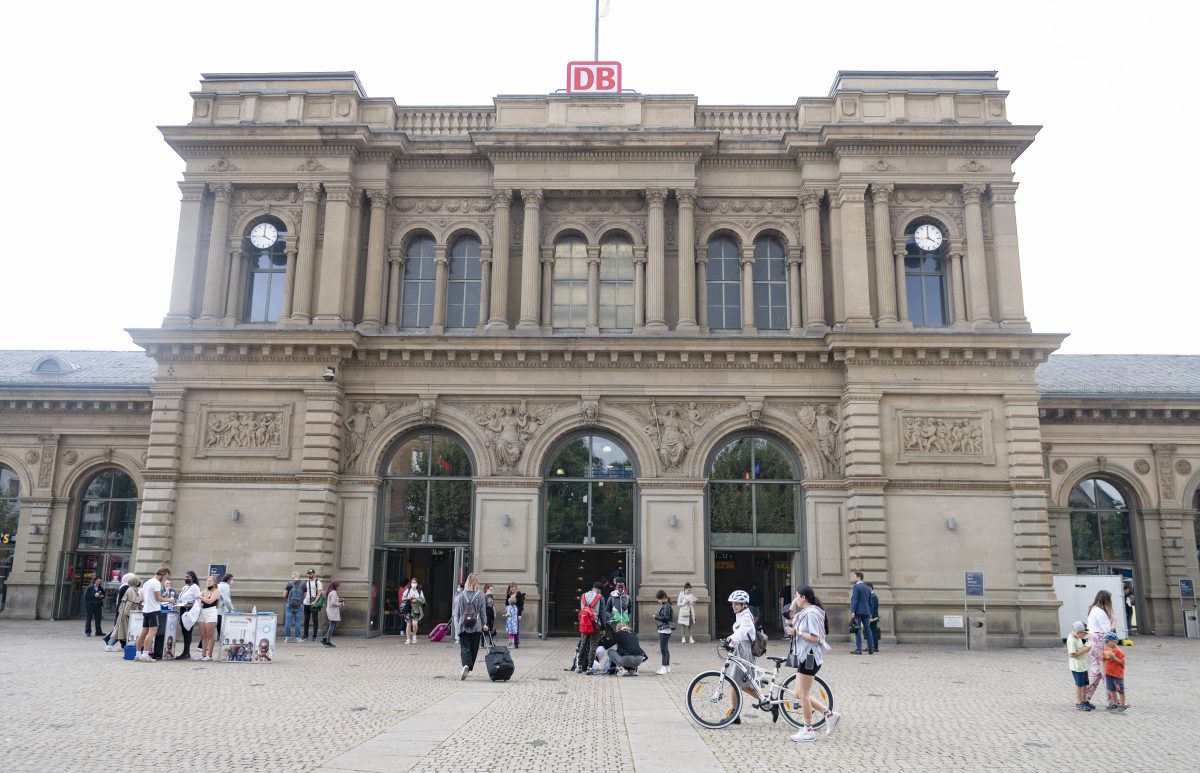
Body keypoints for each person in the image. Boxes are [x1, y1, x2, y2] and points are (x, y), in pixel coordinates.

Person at [785, 587, 841, 743]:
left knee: (803, 694)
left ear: (803, 597)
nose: (795, 599)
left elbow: (816, 638)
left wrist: (798, 633)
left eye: (797, 596)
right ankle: (830, 715)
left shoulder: (811, 614)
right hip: (804, 656)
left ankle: (808, 730)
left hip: (810, 657)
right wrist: (792, 606)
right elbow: (789, 619)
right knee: (799, 694)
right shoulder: (805, 613)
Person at [724, 589, 757, 722]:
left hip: (744, 652)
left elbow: (743, 631)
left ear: (744, 604)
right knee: (740, 684)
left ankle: (735, 715)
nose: (734, 606)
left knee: (740, 684)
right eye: (732, 604)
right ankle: (735, 714)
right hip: (740, 650)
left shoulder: (746, 616)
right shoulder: (740, 614)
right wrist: (731, 643)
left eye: (737, 604)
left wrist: (732, 638)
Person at [452, 573, 488, 679]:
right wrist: (484, 623)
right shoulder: (480, 595)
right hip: (476, 626)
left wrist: (458, 624)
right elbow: (482, 611)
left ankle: (466, 665)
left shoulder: (461, 595)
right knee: (474, 648)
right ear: (476, 582)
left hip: (464, 625)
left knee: (465, 647)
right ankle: (469, 667)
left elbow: (457, 612)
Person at [1084, 590, 1115, 704]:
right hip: (1100, 641)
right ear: (1106, 600)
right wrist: (1113, 623)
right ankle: (1113, 700)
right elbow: (1108, 631)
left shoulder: (1092, 609)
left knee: (1096, 671)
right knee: (1105, 670)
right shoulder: (1100, 612)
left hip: (1092, 641)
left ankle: (1084, 695)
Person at [135, 567, 170, 662]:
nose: (165, 579)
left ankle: (138, 654)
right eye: (166, 576)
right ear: (163, 574)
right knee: (152, 633)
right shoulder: (157, 583)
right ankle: (145, 654)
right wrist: (169, 600)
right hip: (154, 610)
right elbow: (158, 598)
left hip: (146, 610)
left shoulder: (147, 582)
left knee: (143, 633)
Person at [576, 581, 607, 673]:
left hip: (584, 624)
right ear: (600, 591)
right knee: (593, 646)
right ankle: (590, 667)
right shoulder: (600, 598)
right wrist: (603, 628)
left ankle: (579, 666)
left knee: (583, 645)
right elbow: (602, 614)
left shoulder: (583, 596)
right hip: (595, 625)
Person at [108, 575, 141, 653]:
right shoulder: (131, 590)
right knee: (120, 629)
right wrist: (141, 598)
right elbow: (134, 600)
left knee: (120, 629)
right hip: (126, 613)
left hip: (126, 612)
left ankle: (112, 645)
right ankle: (110, 645)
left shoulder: (132, 589)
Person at [848, 571, 875, 655]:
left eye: (854, 577)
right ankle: (871, 648)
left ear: (858, 577)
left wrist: (853, 611)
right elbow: (870, 602)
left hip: (858, 611)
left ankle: (858, 649)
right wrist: (870, 612)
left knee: (857, 630)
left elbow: (855, 599)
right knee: (868, 630)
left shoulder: (856, 587)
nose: (853, 578)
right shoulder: (867, 588)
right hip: (867, 611)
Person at [1067, 621, 1092, 711]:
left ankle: (1084, 700)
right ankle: (1079, 702)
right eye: (1083, 634)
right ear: (1078, 632)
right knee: (1079, 685)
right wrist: (1086, 649)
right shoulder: (1072, 640)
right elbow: (1072, 654)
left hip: (1082, 665)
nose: (1084, 635)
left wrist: (1085, 645)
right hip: (1077, 667)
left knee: (1085, 683)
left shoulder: (1077, 638)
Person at [175, 571, 201, 660]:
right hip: (182, 609)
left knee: (187, 631)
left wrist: (189, 606)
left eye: (188, 577)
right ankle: (186, 652)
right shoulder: (185, 587)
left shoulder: (195, 587)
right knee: (184, 631)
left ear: (192, 578)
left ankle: (186, 652)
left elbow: (197, 601)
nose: (186, 578)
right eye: (185, 576)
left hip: (189, 611)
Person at [105, 573, 134, 649]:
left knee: (121, 629)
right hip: (123, 611)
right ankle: (109, 643)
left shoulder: (124, 586)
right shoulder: (125, 587)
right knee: (119, 629)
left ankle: (122, 645)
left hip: (122, 610)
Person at [198, 575, 221, 661]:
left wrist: (201, 597)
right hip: (203, 611)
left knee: (209, 635)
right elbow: (197, 596)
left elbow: (210, 601)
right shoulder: (204, 591)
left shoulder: (216, 591)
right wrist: (201, 596)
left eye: (210, 581)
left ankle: (209, 655)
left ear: (214, 583)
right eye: (207, 581)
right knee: (203, 635)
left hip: (211, 611)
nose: (208, 582)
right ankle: (203, 654)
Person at [1102, 631, 1127, 711]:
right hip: (1108, 673)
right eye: (1105, 641)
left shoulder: (1119, 651)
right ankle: (1114, 703)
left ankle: (1122, 705)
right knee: (1111, 689)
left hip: (1117, 675)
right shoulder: (1107, 649)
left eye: (1107, 641)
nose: (1106, 643)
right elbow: (1104, 659)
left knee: (1120, 690)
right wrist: (1103, 657)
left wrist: (1114, 658)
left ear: (1115, 641)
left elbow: (1122, 662)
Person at [653, 590, 674, 675]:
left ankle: (663, 668)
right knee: (665, 649)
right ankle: (667, 667)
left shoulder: (666, 606)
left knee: (663, 649)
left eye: (659, 599)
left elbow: (665, 618)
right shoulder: (666, 605)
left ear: (662, 598)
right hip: (665, 630)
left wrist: (656, 616)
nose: (658, 601)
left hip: (664, 630)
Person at [302, 569, 324, 642]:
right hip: (306, 603)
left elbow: (319, 593)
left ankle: (314, 636)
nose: (309, 575)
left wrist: (314, 602)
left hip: (314, 603)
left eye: (310, 574)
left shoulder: (318, 582)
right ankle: (305, 635)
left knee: (315, 620)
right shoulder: (306, 582)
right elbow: (304, 592)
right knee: (306, 620)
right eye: (308, 574)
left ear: (314, 574)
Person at [402, 578, 426, 645]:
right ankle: (408, 639)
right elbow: (402, 598)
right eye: (412, 582)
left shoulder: (419, 591)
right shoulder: (408, 590)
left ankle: (414, 635)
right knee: (408, 624)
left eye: (415, 582)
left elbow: (423, 600)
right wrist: (408, 598)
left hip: (416, 609)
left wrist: (416, 599)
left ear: (417, 583)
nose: (413, 584)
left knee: (415, 624)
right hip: (408, 608)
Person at [283, 572, 305, 643]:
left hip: (289, 605)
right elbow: (305, 596)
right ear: (299, 577)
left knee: (288, 622)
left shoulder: (289, 584)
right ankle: (297, 638)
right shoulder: (303, 584)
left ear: (293, 576)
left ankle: (287, 638)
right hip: (299, 606)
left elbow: (284, 595)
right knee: (298, 622)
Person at [321, 580, 344, 646]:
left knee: (333, 625)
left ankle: (325, 639)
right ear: (335, 585)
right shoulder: (333, 592)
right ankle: (327, 641)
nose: (338, 587)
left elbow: (332, 601)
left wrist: (338, 600)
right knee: (332, 626)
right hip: (332, 611)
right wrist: (340, 604)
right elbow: (333, 603)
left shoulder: (330, 591)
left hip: (331, 610)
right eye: (338, 585)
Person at [505, 582, 525, 648]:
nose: (513, 590)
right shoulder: (508, 594)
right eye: (511, 589)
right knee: (510, 628)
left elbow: (521, 605)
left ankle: (516, 643)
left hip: (516, 613)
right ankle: (511, 642)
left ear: (516, 588)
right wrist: (507, 611)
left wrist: (519, 614)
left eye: (514, 589)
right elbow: (506, 603)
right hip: (510, 613)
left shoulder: (518, 594)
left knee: (515, 628)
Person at [866, 582, 881, 653]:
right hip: (871, 616)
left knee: (873, 632)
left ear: (870, 588)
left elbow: (873, 607)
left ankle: (875, 647)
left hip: (873, 617)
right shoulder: (870, 596)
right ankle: (870, 646)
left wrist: (870, 617)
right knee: (870, 632)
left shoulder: (873, 596)